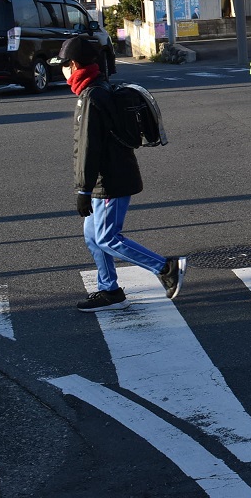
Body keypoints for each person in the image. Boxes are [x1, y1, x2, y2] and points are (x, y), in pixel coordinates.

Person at [63, 35, 185, 312]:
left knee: (107, 237)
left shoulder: (93, 96)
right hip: (107, 177)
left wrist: (83, 189)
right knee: (93, 237)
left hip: (110, 180)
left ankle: (166, 268)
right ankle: (110, 291)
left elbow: (87, 148)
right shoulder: (98, 88)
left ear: (72, 64)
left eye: (64, 64)